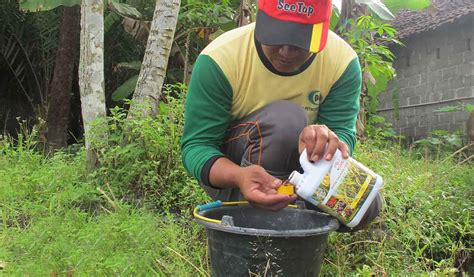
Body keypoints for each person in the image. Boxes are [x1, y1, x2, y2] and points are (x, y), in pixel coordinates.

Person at [181, 0, 381, 230]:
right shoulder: (221, 58)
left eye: (299, 41)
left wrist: (322, 142)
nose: (286, 53)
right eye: (277, 36)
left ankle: (298, 223)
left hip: (301, 169)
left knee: (367, 202)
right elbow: (197, 146)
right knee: (285, 121)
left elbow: (343, 133)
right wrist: (239, 176)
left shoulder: (341, 62)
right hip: (236, 168)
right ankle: (255, 225)